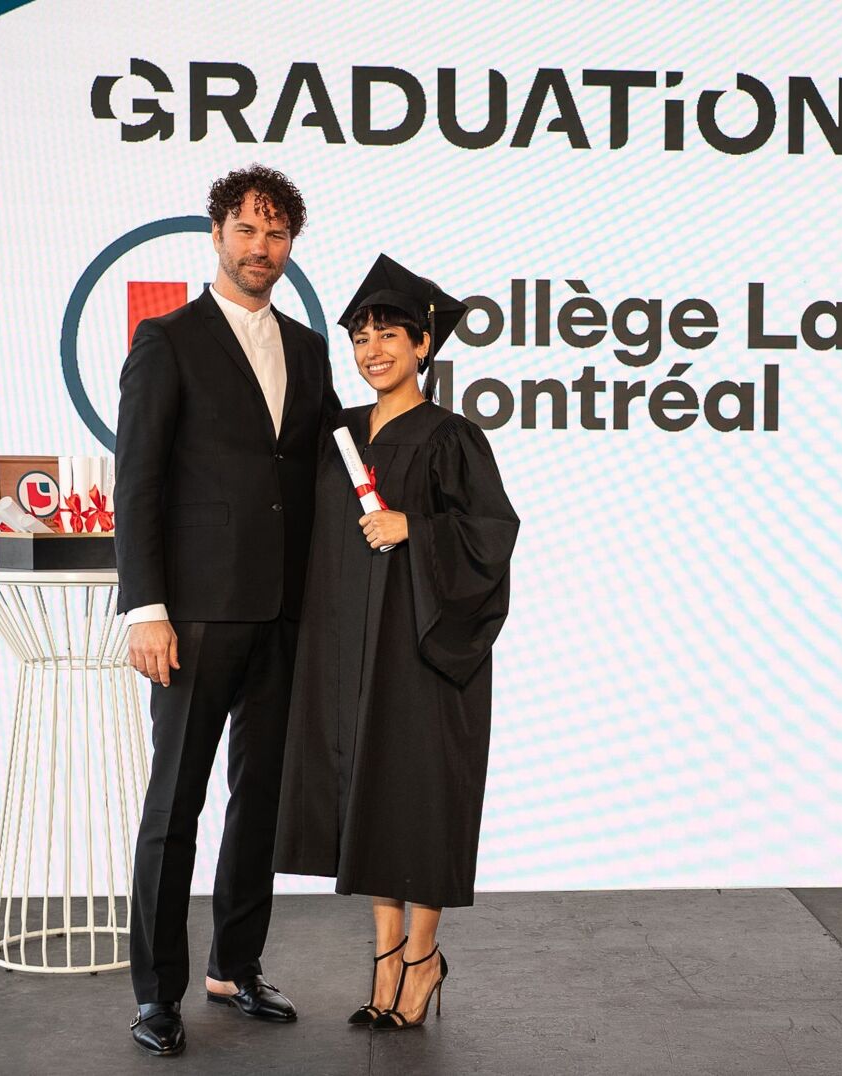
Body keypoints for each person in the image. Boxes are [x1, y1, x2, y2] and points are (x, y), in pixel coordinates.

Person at [114, 166, 340, 1056]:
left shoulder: (310, 347)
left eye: (277, 233)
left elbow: (322, 470)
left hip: (285, 612)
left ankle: (233, 966)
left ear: (291, 245)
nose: (261, 248)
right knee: (176, 803)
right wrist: (147, 608)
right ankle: (155, 994)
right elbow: (137, 484)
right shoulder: (166, 340)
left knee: (261, 801)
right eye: (247, 230)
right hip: (195, 614)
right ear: (217, 234)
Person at [274, 254, 519, 1030]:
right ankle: (383, 953)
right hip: (346, 647)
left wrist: (415, 525)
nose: (372, 348)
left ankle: (422, 957)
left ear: (424, 345)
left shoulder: (452, 437)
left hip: (421, 649)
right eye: (361, 337)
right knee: (367, 799)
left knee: (417, 799)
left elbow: (490, 536)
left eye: (389, 335)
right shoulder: (338, 434)